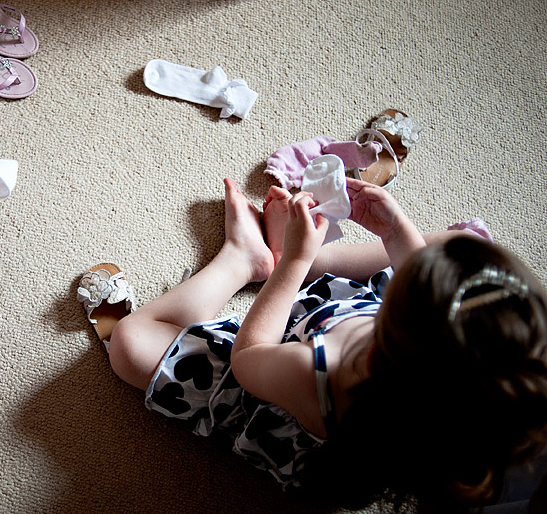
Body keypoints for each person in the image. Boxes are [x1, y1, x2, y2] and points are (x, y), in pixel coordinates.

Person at [79, 177, 547, 511]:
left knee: (132, 343)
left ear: (383, 350)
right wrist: (394, 231)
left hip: (273, 376)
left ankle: (246, 259)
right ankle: (316, 258)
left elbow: (249, 357)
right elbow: (429, 291)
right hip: (350, 319)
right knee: (457, 244)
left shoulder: (327, 374)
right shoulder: (472, 379)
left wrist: (292, 266)